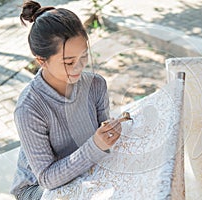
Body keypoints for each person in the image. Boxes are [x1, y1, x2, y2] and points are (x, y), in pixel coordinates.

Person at [10, 1, 122, 199]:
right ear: (41, 61)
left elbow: (102, 146)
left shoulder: (96, 85)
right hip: (39, 189)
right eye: (69, 62)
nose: (78, 67)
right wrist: (96, 145)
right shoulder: (29, 109)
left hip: (83, 171)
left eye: (84, 57)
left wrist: (107, 135)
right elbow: (47, 179)